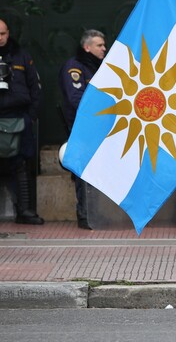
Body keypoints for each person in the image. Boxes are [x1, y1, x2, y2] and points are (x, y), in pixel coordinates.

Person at [58, 29, 107, 229]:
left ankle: (100, 213)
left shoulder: (100, 67)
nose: (104, 48)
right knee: (84, 172)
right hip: (83, 129)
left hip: (101, 129)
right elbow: (76, 99)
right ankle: (85, 215)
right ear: (87, 47)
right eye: (99, 45)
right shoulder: (75, 67)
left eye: (104, 45)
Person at [0, 18, 44, 225]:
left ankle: (25, 210)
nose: (0, 38)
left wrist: (30, 117)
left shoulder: (22, 56)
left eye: (3, 33)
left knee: (21, 165)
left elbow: (35, 89)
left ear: (9, 33)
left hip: (19, 118)